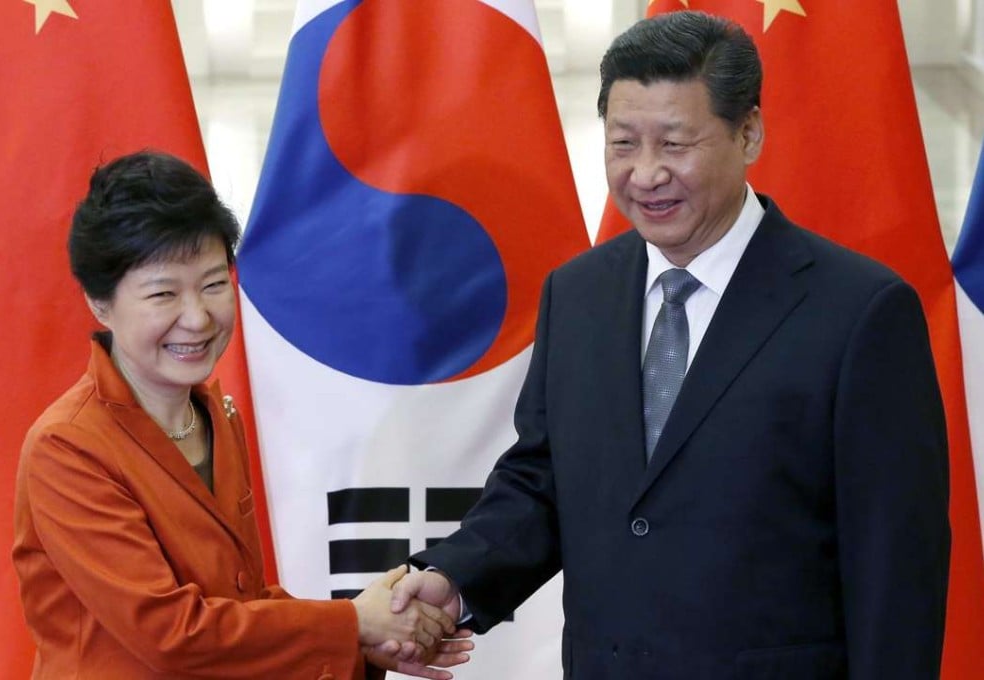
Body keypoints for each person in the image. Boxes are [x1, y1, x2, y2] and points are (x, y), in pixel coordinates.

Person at [388, 11, 950, 679]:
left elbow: (895, 567)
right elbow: (542, 482)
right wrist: (454, 580)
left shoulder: (859, 311)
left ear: (749, 132)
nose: (646, 174)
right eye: (623, 144)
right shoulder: (578, 294)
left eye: (675, 145)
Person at [12, 151, 471, 679]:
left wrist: (366, 638)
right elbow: (170, 633)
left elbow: (241, 601)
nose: (197, 317)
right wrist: (352, 625)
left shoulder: (215, 414)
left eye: (213, 284)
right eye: (163, 294)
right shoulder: (68, 446)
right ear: (100, 303)